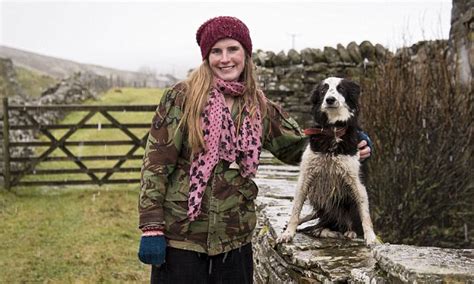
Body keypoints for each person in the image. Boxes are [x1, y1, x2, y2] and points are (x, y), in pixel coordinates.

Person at [137, 16, 372, 284]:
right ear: (206, 57)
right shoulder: (181, 98)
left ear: (246, 54)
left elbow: (297, 147)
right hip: (180, 240)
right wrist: (152, 227)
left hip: (234, 241)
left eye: (232, 49)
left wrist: (344, 137)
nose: (225, 59)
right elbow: (156, 164)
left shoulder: (260, 107)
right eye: (216, 51)